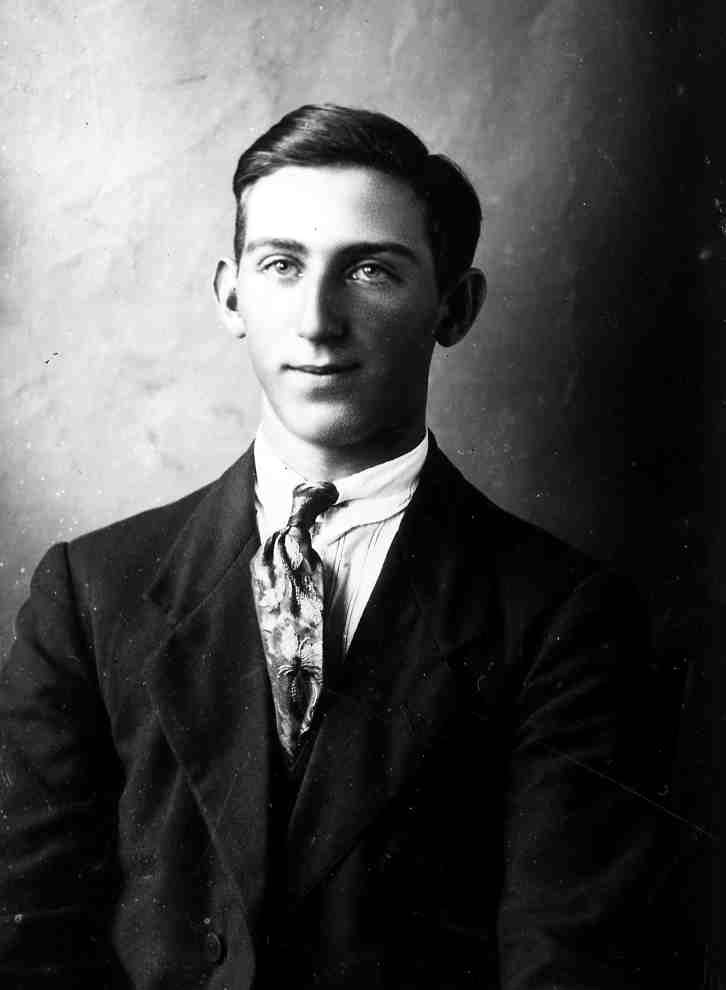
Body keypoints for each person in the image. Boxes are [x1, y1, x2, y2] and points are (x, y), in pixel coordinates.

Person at [0, 104, 659, 989]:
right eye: (281, 265)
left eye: (371, 270)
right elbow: (26, 935)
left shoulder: (562, 615)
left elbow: (569, 962)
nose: (317, 320)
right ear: (230, 295)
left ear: (454, 306)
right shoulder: (91, 590)